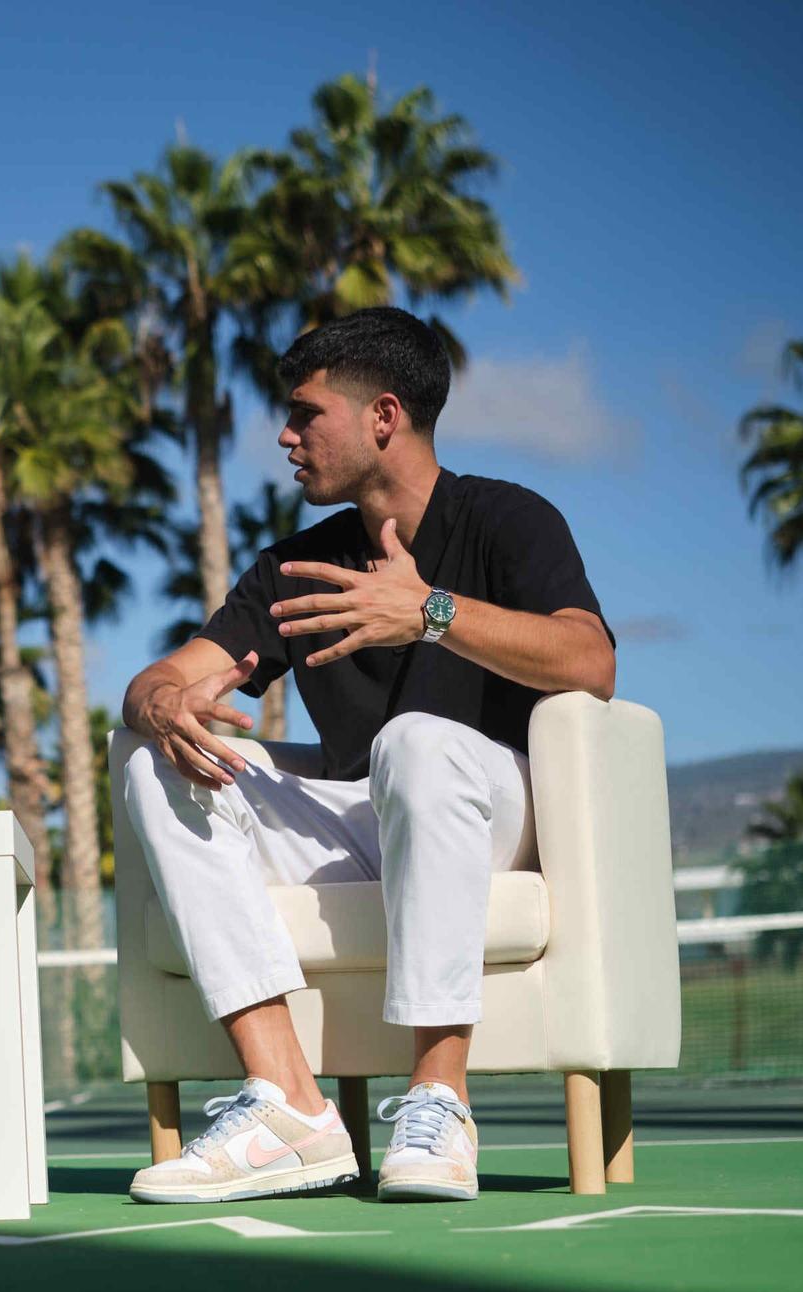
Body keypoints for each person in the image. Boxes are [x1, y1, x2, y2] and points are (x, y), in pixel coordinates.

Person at [119, 308, 615, 1205]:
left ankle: (438, 1099)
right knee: (153, 759)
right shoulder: (294, 568)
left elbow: (591, 658)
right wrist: (158, 702)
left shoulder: (509, 519)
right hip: (357, 820)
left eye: (306, 413)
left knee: (416, 743)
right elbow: (170, 676)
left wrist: (428, 612)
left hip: (490, 816)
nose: (285, 433)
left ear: (383, 416)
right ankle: (290, 1108)